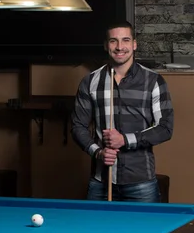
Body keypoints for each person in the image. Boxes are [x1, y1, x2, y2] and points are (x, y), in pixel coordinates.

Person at [71, 20, 174, 202]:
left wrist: (124, 139)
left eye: (125, 40)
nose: (120, 47)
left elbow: (165, 128)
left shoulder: (153, 81)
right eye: (113, 41)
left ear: (134, 44)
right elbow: (78, 126)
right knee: (95, 231)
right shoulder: (91, 81)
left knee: (145, 231)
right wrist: (98, 152)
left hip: (141, 182)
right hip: (101, 181)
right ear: (106, 45)